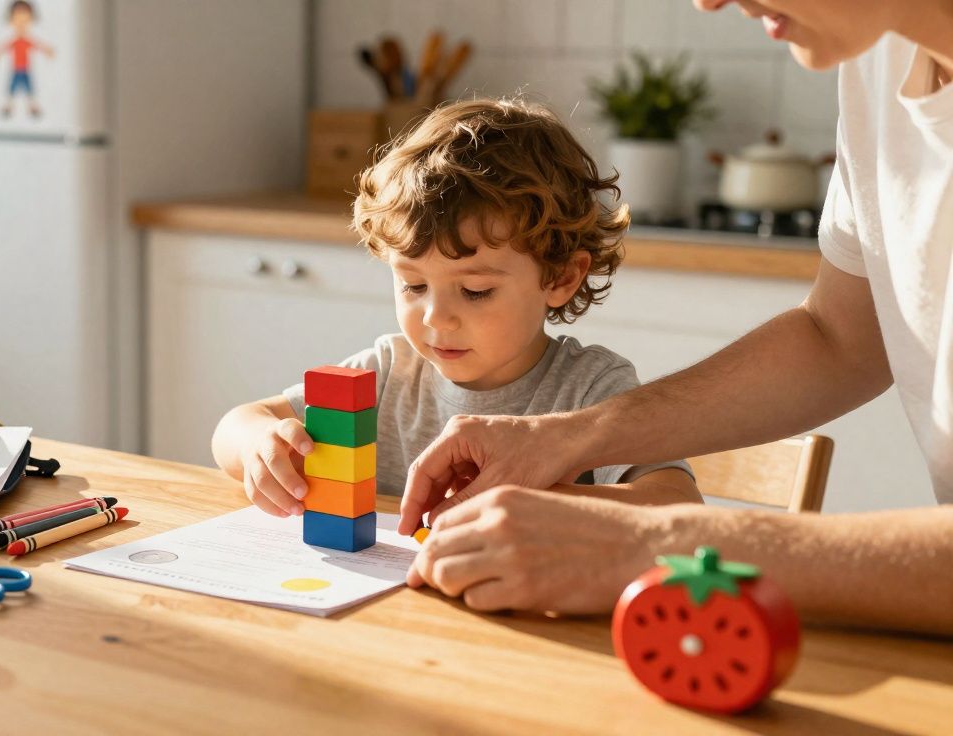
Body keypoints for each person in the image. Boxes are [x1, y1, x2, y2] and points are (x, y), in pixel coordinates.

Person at [399, 0, 953, 636]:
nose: (708, 2)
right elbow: (840, 339)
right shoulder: (878, 63)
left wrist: (660, 540)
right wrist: (569, 435)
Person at [211, 98, 701, 520]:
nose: (434, 319)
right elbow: (237, 424)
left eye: (476, 291)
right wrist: (258, 444)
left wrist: (553, 505)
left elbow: (676, 506)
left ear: (561, 277)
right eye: (413, 285)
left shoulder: (592, 388)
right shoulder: (386, 371)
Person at [0, 0, 55, 118]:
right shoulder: (15, 41)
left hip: (25, 69)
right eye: (17, 20)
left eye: (25, 21)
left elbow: (38, 45)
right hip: (16, 69)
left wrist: (47, 51)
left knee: (29, 89)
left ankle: (32, 108)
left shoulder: (27, 40)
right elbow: (4, 46)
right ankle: (8, 107)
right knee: (12, 89)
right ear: (11, 21)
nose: (21, 24)